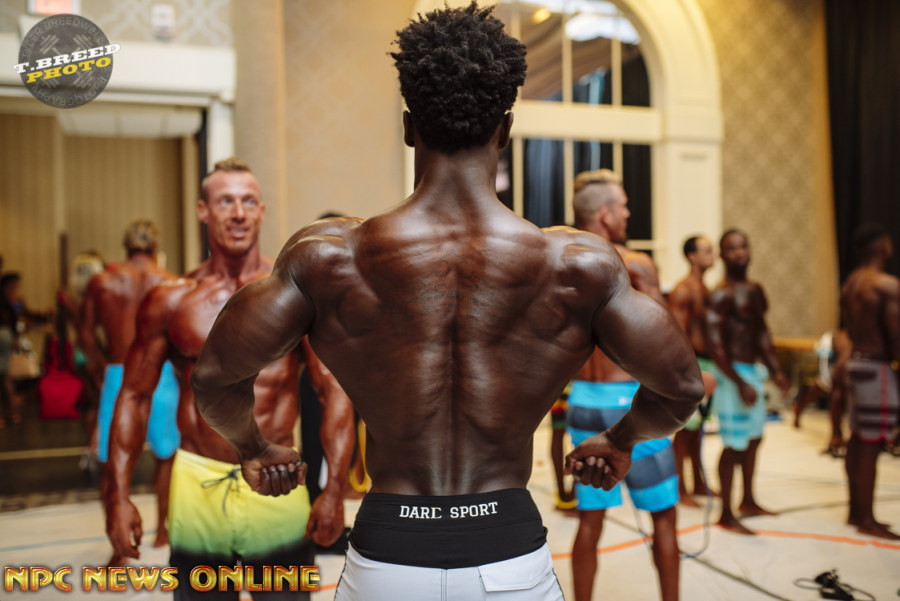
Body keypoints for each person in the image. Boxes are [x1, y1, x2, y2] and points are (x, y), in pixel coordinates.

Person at [191, 5, 703, 594]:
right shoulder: (576, 266)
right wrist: (620, 440)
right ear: (505, 130)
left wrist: (253, 448)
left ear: (409, 128)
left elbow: (214, 378)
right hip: (509, 556)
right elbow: (682, 386)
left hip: (388, 557)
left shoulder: (329, 259)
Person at [104, 158, 355, 598]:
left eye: (248, 202)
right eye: (225, 202)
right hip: (197, 480)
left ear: (261, 211)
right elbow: (135, 396)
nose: (238, 213)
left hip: (278, 479)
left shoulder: (296, 295)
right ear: (203, 210)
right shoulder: (171, 300)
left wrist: (334, 488)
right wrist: (117, 496)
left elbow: (332, 390)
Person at [565, 169, 682, 601]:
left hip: (582, 400)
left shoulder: (560, 262)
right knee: (664, 517)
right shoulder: (635, 263)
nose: (629, 213)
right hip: (630, 404)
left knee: (589, 521)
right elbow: (665, 334)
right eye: (624, 206)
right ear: (605, 215)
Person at [79, 220, 178, 562]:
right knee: (166, 457)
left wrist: (99, 368)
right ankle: (163, 530)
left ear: (125, 246)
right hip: (161, 372)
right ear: (155, 246)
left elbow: (85, 335)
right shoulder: (169, 281)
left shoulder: (102, 282)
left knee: (113, 462)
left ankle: (118, 548)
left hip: (119, 373)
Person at [705, 228, 789, 535]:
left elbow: (762, 333)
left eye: (744, 246)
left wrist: (776, 369)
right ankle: (726, 513)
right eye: (732, 248)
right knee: (733, 443)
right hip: (731, 375)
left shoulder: (755, 290)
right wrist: (739, 382)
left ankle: (748, 500)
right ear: (722, 255)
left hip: (752, 371)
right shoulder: (721, 294)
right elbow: (715, 345)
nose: (740, 252)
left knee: (754, 438)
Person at [837, 224, 900, 540]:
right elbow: (896, 336)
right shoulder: (886, 285)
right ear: (881, 246)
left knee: (858, 439)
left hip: (855, 362)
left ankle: (855, 512)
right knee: (872, 444)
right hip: (876, 369)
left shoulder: (852, 282)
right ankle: (867, 518)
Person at [667, 235, 719, 507]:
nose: (714, 255)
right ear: (692, 256)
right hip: (693, 365)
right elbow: (677, 335)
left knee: (698, 430)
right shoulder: (684, 290)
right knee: (685, 429)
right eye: (707, 251)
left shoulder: (705, 288)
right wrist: (689, 372)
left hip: (707, 364)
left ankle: (698, 481)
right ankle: (680, 488)